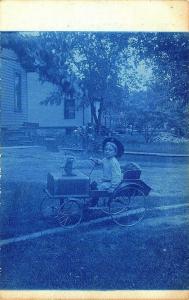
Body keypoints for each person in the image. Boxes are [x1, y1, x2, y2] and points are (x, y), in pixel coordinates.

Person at [89, 137, 124, 206]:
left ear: (115, 153)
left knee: (98, 190)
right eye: (106, 150)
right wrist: (96, 161)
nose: (107, 151)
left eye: (110, 150)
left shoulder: (114, 162)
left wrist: (113, 187)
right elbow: (102, 162)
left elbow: (117, 175)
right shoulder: (106, 159)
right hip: (105, 180)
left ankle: (93, 202)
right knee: (94, 184)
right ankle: (93, 199)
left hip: (111, 182)